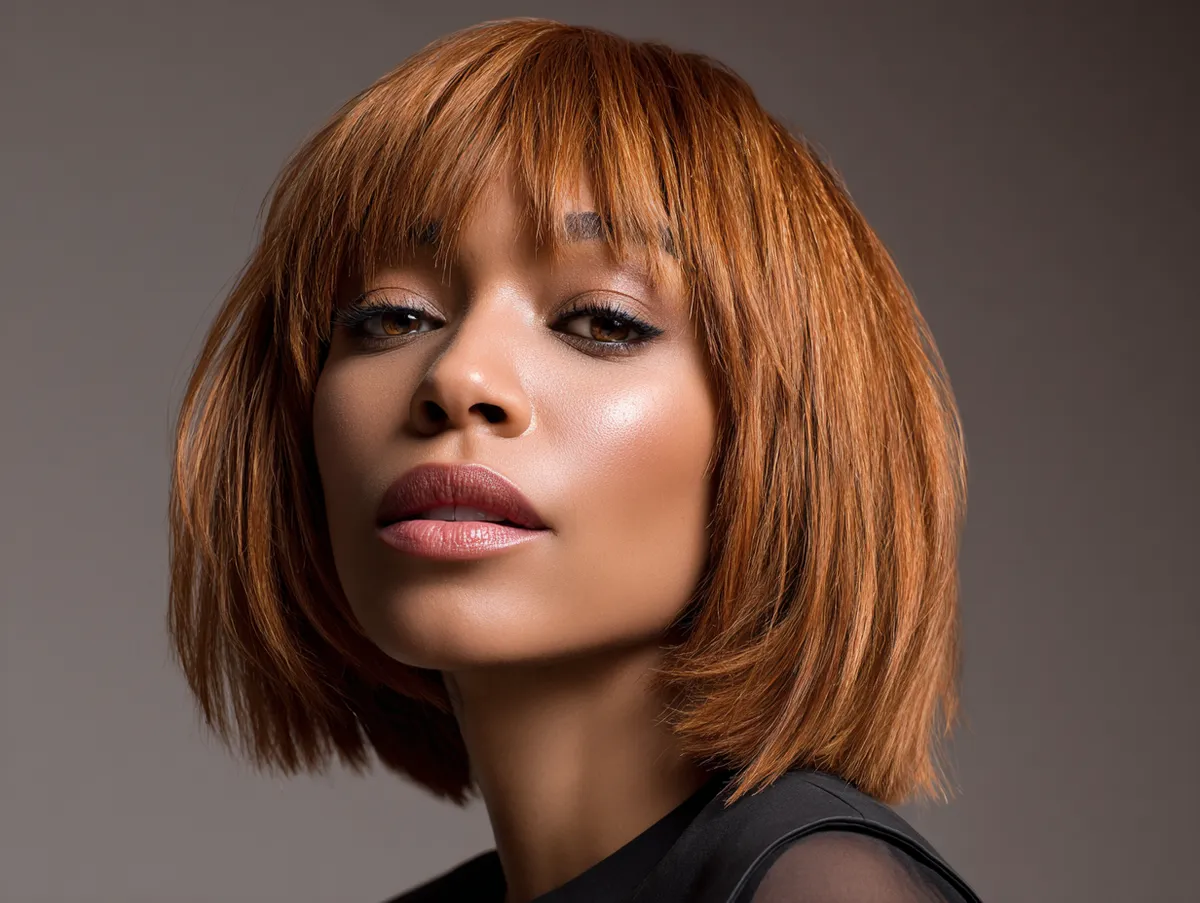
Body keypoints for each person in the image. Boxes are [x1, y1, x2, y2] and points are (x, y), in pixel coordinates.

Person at [168, 17, 980, 903]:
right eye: (393, 315)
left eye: (601, 321)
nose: (457, 375)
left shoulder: (819, 891)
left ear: (784, 434)